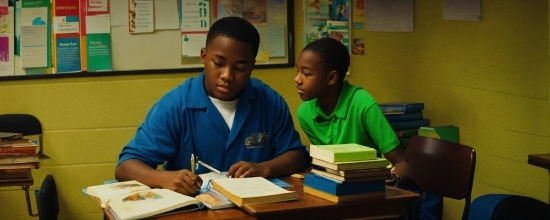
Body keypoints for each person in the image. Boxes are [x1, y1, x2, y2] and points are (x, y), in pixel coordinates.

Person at [116, 17, 310, 196]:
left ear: (252, 65)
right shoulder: (175, 105)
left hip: (256, 211)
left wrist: (264, 168)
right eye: (218, 63)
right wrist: (164, 179)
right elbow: (125, 167)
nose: (227, 75)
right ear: (203, 56)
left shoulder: (270, 102)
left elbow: (296, 156)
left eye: (240, 68)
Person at [294, 38, 408, 180]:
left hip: (370, 186)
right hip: (335, 188)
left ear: (332, 78)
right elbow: (329, 165)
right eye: (298, 71)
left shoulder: (363, 104)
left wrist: (387, 183)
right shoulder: (304, 113)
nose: (297, 79)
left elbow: (402, 162)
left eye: (306, 74)